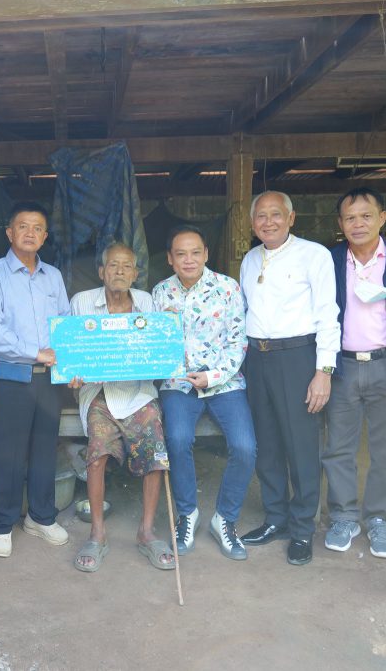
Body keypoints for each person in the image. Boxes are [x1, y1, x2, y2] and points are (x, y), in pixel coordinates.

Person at [239, 191, 340, 566]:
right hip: (257, 358)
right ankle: (276, 518)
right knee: (266, 444)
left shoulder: (315, 255)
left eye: (276, 214)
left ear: (291, 218)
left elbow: (328, 314)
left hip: (298, 357)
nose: (268, 222)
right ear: (253, 223)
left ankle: (301, 528)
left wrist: (323, 372)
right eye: (261, 216)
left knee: (301, 446)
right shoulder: (250, 259)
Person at [153, 225, 257, 561]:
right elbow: (154, 343)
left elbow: (238, 341)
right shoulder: (160, 292)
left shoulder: (227, 288)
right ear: (170, 259)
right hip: (178, 383)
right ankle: (187, 513)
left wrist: (212, 376)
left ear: (206, 254)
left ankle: (224, 518)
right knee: (177, 439)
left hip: (224, 382)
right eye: (181, 254)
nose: (189, 260)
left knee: (245, 447)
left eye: (195, 252)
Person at [67, 243, 173, 572]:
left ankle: (146, 532)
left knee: (155, 448)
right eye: (113, 265)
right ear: (102, 272)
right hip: (98, 391)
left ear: (136, 273)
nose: (120, 272)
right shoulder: (82, 302)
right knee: (97, 451)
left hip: (138, 391)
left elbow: (157, 350)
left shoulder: (146, 302)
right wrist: (73, 372)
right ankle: (97, 534)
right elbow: (71, 350)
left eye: (127, 266)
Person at [323, 187, 386, 558]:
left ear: (382, 218)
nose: (358, 224)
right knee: (338, 448)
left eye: (366, 216)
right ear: (340, 223)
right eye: (350, 217)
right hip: (342, 366)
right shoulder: (330, 261)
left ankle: (379, 519)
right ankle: (343, 517)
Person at [0, 201, 70, 558]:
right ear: (9, 232)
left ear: (44, 237)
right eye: (23, 226)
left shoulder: (53, 276)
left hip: (49, 379)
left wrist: (69, 363)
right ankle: (2, 524)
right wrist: (36, 352)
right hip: (12, 377)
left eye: (37, 228)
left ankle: (41, 517)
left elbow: (64, 323)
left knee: (46, 449)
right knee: (8, 453)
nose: (30, 233)